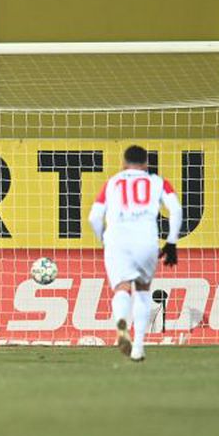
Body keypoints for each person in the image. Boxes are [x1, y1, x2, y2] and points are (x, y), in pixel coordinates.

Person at [87, 145, 182, 362]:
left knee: (121, 287)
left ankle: (121, 322)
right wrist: (171, 243)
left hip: (117, 239)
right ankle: (138, 347)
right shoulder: (158, 182)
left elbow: (93, 217)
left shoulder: (112, 182)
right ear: (146, 163)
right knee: (142, 289)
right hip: (146, 240)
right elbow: (175, 209)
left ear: (124, 162)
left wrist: (104, 239)